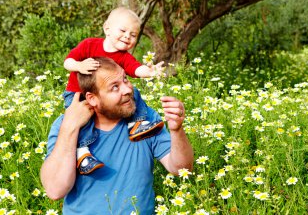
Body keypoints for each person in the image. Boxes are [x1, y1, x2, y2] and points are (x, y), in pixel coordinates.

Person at [41, 57, 194, 215]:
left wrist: (177, 130)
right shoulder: (64, 125)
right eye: (114, 87)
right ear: (92, 99)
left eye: (125, 79)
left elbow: (181, 168)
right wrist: (70, 127)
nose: (127, 89)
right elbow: (55, 190)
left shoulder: (144, 120)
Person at [63, 7, 165, 174]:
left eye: (133, 35)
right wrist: (79, 66)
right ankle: (82, 154)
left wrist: (149, 72)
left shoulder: (123, 56)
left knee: (133, 92)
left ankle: (136, 124)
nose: (127, 36)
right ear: (107, 29)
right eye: (123, 30)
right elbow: (68, 62)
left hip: (107, 98)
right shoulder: (89, 45)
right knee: (82, 121)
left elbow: (135, 69)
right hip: (78, 95)